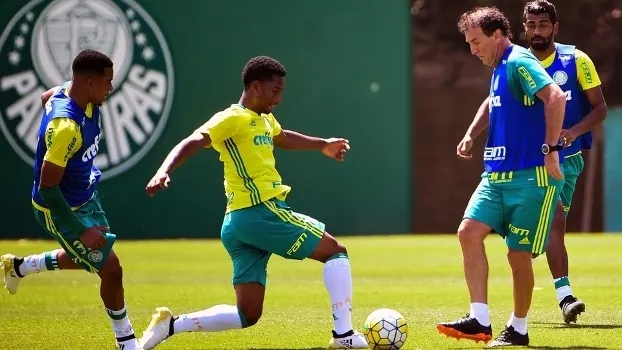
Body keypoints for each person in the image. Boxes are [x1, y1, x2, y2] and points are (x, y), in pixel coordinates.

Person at [140, 56, 368, 349]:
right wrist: (164, 171)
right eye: (275, 90)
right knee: (335, 251)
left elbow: (282, 137)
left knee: (247, 314)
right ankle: (344, 336)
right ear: (256, 86)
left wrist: (322, 144)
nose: (280, 97)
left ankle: (170, 325)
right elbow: (195, 139)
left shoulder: (264, 119)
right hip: (260, 212)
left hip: (238, 223)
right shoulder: (232, 118)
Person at [436, 6, 567, 347]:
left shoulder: (520, 61)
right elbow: (491, 102)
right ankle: (479, 319)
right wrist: (471, 133)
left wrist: (552, 149)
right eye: (468, 43)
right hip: (495, 177)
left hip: (531, 177)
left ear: (498, 35)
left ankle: (518, 328)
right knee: (468, 232)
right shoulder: (499, 68)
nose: (472, 49)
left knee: (517, 255)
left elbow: (554, 96)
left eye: (476, 41)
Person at [0, 49, 143, 350]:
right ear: (90, 83)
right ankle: (126, 341)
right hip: (59, 207)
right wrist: (81, 229)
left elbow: (47, 97)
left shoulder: (70, 91)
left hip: (86, 195)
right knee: (111, 268)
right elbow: (48, 189)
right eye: (107, 82)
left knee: (92, 257)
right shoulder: (66, 127)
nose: (111, 88)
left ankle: (21, 267)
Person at [523, 0, 607, 324]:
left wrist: (573, 130)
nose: (536, 31)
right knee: (556, 220)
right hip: (533, 161)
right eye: (531, 25)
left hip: (569, 161)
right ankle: (565, 296)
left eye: (543, 25)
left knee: (542, 237)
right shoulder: (519, 63)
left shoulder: (577, 60)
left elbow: (599, 108)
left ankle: (529, 236)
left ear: (555, 28)